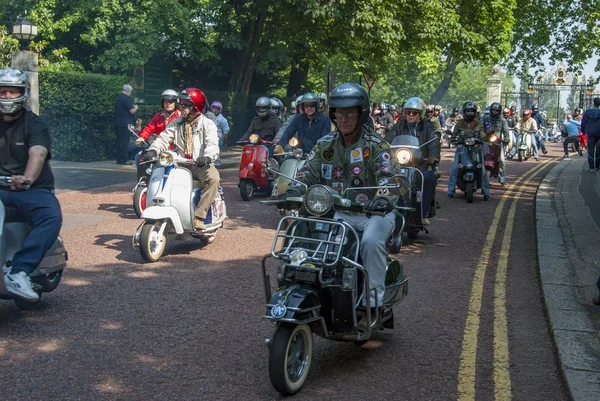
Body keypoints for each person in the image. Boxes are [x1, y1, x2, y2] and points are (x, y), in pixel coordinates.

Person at [286, 82, 397, 311]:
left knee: (369, 241)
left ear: (361, 114)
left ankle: (372, 301)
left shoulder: (377, 146)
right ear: (333, 115)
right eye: (339, 113)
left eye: (350, 113)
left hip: (374, 214)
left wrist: (383, 199)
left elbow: (389, 177)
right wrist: (294, 190)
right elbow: (308, 170)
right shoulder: (325, 144)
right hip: (339, 212)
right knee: (313, 236)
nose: (344, 119)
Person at [0, 68, 63, 301]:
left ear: (23, 94)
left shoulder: (35, 124)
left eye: (12, 91)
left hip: (32, 188)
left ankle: (19, 271)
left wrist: (26, 178)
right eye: (2, 91)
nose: (7, 96)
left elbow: (37, 153)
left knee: (51, 216)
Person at [142, 88, 220, 230]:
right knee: (161, 174)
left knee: (214, 179)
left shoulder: (208, 124)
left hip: (200, 165)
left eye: (185, 105)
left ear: (196, 107)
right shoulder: (177, 123)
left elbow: (213, 144)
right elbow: (164, 138)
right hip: (180, 164)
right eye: (181, 105)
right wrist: (153, 150)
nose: (181, 108)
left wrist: (207, 157)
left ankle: (199, 216)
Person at [385, 97, 440, 224]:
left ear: (420, 114)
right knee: (384, 176)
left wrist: (433, 156)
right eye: (408, 112)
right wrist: (383, 148)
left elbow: (434, 142)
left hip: (420, 163)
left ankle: (424, 212)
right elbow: (388, 139)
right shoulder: (400, 125)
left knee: (429, 178)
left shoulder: (428, 127)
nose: (410, 115)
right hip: (399, 162)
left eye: (414, 113)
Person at [447, 102, 490, 200]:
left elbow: (483, 135)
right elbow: (454, 136)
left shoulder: (479, 123)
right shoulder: (460, 123)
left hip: (476, 149)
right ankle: (451, 190)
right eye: (468, 111)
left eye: (472, 111)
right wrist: (454, 140)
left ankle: (486, 191)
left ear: (475, 112)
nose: (470, 113)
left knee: (483, 170)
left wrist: (482, 140)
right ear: (464, 112)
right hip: (462, 148)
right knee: (454, 169)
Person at [482, 102, 510, 184]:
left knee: (501, 160)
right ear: (491, 110)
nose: (495, 112)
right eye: (493, 110)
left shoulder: (502, 120)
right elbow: (479, 128)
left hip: (497, 142)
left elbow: (506, 131)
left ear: (499, 111)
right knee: (479, 159)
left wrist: (506, 139)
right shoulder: (485, 118)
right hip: (485, 142)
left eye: (497, 111)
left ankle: (502, 177)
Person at [114, 84, 138, 165]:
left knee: (120, 141)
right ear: (127, 91)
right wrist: (136, 107)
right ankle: (124, 159)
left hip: (118, 122)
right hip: (126, 123)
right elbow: (132, 111)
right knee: (125, 142)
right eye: (130, 92)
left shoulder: (118, 98)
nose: (130, 94)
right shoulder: (126, 99)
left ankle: (119, 158)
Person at [581, 97, 600, 171]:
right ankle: (598, 166)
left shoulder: (587, 112)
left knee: (590, 150)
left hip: (590, 133)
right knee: (599, 150)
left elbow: (583, 123)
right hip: (599, 133)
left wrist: (583, 131)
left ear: (593, 103)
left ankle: (591, 167)